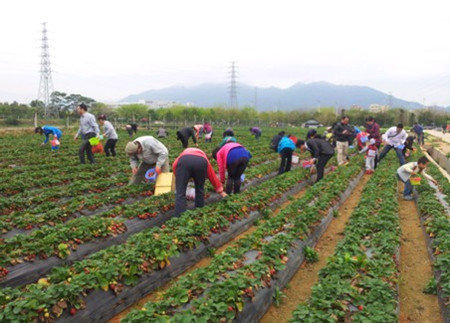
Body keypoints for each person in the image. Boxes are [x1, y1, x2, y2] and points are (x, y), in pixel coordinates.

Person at [172, 148, 226, 217]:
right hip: (200, 162)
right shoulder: (204, 157)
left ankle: (179, 217)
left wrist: (180, 179)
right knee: (200, 189)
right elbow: (212, 175)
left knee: (180, 193)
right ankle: (199, 214)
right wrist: (220, 190)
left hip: (184, 161)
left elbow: (174, 165)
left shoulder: (183, 154)